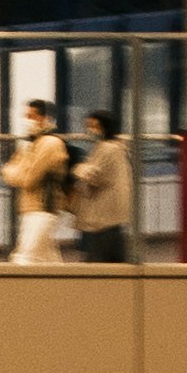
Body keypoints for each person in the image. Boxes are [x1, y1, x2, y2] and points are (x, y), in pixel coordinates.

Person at [4, 99, 72, 265]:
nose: (27, 120)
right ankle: (67, 289)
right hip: (30, 207)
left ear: (44, 118)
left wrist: (19, 171)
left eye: (31, 116)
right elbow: (6, 171)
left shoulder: (51, 144)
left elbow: (29, 180)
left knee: (24, 257)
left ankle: (12, 290)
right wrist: (19, 171)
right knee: (50, 261)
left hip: (44, 207)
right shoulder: (31, 145)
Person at [69, 109, 135, 264]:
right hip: (109, 213)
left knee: (98, 259)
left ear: (104, 126)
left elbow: (95, 176)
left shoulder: (108, 148)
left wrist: (77, 169)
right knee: (112, 256)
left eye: (93, 126)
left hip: (104, 212)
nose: (90, 130)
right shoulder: (114, 147)